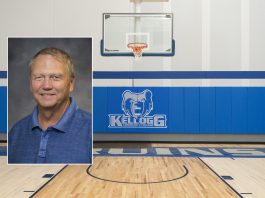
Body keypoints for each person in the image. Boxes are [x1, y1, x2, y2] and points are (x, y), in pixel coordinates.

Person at [8, 47, 92, 164]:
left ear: (71, 83)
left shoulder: (91, 131)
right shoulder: (16, 132)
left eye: (55, 77)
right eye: (39, 77)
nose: (47, 85)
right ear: (30, 83)